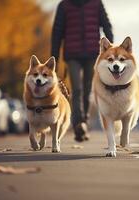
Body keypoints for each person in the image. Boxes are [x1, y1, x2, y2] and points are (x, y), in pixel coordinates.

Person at [51, 0, 113, 142]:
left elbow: (107, 25)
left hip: (92, 54)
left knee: (87, 88)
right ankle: (78, 123)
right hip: (72, 55)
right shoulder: (64, 5)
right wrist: (54, 57)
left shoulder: (96, 3)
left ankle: (84, 121)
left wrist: (111, 51)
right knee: (77, 88)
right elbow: (57, 32)